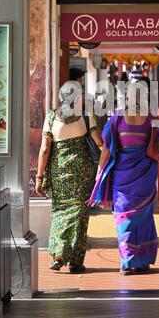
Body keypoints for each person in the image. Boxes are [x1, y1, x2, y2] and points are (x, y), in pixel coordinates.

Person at [87, 80, 159, 275]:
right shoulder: (153, 118)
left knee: (123, 217)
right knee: (143, 218)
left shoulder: (117, 117)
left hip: (122, 178)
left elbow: (107, 149)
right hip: (145, 177)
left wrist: (99, 173)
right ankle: (141, 260)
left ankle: (127, 261)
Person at [35, 82, 103, 272]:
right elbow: (99, 143)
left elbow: (45, 149)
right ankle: (75, 262)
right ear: (78, 98)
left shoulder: (51, 117)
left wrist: (39, 178)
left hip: (59, 173)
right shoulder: (86, 116)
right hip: (82, 173)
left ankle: (58, 254)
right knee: (80, 215)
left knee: (60, 212)